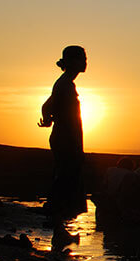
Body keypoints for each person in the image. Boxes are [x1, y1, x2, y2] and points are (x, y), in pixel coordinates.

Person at [38, 45, 88, 247]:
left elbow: (46, 106)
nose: (85, 62)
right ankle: (59, 230)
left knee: (65, 182)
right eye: (81, 58)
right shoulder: (65, 85)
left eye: (85, 58)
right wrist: (76, 146)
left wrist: (48, 119)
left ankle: (60, 230)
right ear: (69, 62)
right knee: (65, 183)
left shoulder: (65, 83)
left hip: (64, 138)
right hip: (66, 139)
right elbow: (59, 113)